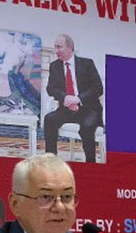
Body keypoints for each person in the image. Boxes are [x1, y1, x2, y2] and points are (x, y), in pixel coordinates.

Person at [44, 34, 104, 163]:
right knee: (49, 119)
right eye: (55, 47)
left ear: (70, 48)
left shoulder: (87, 64)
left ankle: (91, 163)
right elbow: (50, 89)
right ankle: (50, 160)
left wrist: (78, 99)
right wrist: (65, 97)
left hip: (88, 110)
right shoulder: (55, 66)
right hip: (66, 110)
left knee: (87, 127)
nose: (56, 50)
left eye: (59, 47)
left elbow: (98, 88)